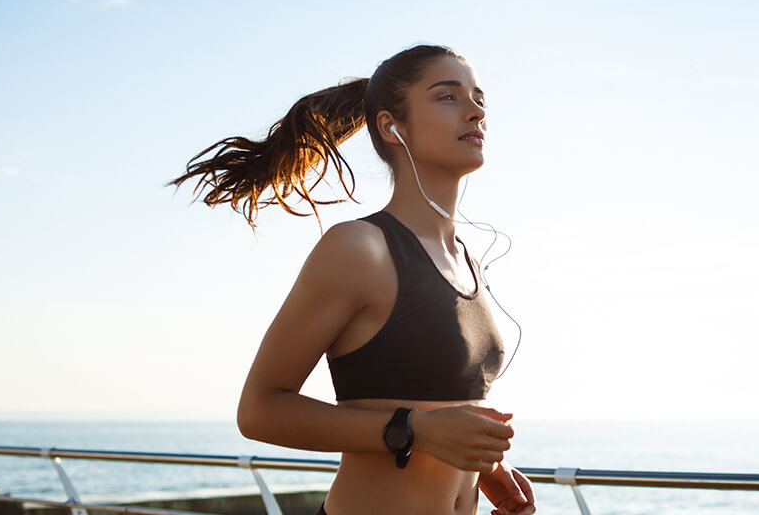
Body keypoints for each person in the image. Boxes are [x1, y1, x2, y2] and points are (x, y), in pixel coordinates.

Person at [170, 45, 536, 515]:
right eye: (448, 97)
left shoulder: (467, 261)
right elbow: (260, 410)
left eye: (479, 97)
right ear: (391, 126)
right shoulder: (360, 248)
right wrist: (418, 430)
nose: (475, 111)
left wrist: (481, 466)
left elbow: (437, 406)